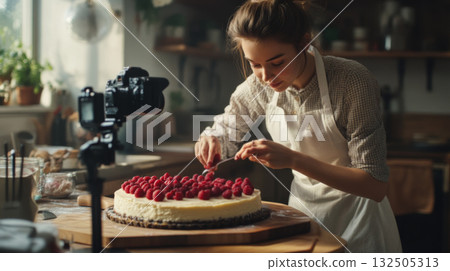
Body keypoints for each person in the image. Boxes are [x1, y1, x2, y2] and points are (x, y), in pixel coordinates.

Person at [194, 0, 402, 252]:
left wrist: (293, 159)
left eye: (277, 62)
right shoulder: (257, 87)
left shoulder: (351, 81)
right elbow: (227, 128)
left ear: (304, 44)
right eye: (254, 64)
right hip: (303, 216)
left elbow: (374, 185)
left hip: (360, 221)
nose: (265, 77)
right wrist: (212, 139)